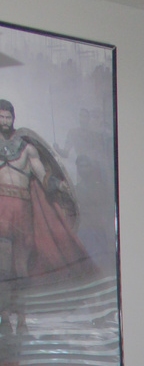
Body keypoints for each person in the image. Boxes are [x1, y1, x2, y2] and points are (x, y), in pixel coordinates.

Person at [0, 99, 92, 330]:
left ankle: (20, 316)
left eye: (7, 117)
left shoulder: (27, 148)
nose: (4, 121)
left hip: (22, 213)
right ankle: (3, 316)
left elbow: (42, 175)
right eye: (0, 117)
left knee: (21, 268)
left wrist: (58, 186)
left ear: (13, 119)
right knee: (2, 265)